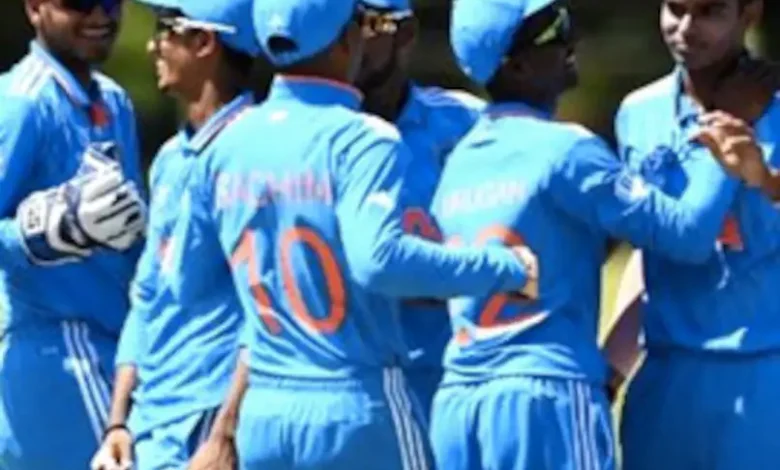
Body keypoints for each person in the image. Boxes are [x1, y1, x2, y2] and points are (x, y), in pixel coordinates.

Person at [184, 0, 540, 468]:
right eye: (358, 21)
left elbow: (193, 284)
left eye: (375, 21)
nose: (366, 35)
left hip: (292, 405)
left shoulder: (228, 142)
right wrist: (502, 269)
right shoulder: (364, 138)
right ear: (345, 38)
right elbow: (379, 261)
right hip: (362, 393)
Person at [430, 0, 766, 468]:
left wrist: (613, 364)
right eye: (554, 32)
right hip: (551, 393)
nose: (573, 39)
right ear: (517, 64)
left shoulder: (460, 159)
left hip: (460, 400)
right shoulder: (573, 147)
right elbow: (684, 237)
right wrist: (731, 126)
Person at [88, 1, 260, 469]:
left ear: (204, 42)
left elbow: (266, 308)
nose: (152, 45)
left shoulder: (252, 153)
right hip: (149, 420)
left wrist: (226, 433)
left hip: (207, 418)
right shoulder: (169, 157)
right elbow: (147, 293)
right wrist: (118, 423)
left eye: (166, 29)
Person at [614, 0, 780, 468]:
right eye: (676, 8)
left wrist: (765, 181)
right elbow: (643, 253)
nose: (686, 28)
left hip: (763, 373)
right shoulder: (637, 113)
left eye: (709, 12)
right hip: (666, 378)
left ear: (749, 15)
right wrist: (611, 368)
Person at [0, 0, 147, 469]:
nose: (100, 15)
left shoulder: (115, 101)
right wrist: (40, 232)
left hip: (115, 344)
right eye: (79, 2)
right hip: (55, 347)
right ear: (35, 8)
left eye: (110, 0)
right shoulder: (21, 104)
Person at [355, 0, 485, 418]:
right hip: (350, 388)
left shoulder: (467, 123)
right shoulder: (304, 133)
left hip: (453, 383)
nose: (346, 38)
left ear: (406, 34)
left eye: (364, 22)